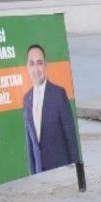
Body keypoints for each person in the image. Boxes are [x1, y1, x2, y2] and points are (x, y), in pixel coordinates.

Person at [22, 44, 80, 174]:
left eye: (39, 63)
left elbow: (70, 136)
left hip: (61, 171)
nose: (36, 69)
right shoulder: (26, 99)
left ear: (46, 65)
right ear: (27, 67)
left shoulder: (59, 94)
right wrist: (33, 176)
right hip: (40, 174)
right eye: (32, 64)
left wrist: (77, 171)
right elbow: (31, 145)